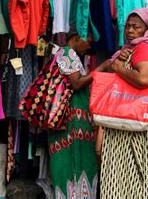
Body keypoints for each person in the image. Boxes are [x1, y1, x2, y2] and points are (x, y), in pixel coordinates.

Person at [96, 8, 148, 198]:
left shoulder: (143, 47)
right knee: (134, 176)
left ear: (147, 29)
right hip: (131, 121)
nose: (129, 30)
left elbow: (144, 78)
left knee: (134, 175)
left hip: (136, 124)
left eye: (136, 27)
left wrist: (119, 68)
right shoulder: (129, 49)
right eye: (128, 26)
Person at [49, 28, 97, 198]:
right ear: (77, 38)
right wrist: (100, 71)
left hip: (71, 122)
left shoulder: (68, 54)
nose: (88, 47)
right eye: (88, 42)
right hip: (70, 123)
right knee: (70, 164)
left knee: (70, 164)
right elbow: (76, 83)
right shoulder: (67, 53)